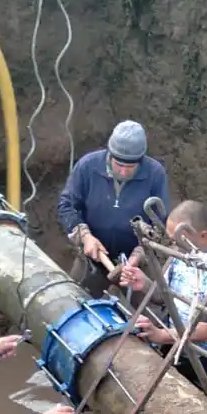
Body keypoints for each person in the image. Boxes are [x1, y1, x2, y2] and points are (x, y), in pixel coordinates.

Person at [120, 200, 207, 414]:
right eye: (172, 240)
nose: (175, 246)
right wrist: (145, 284)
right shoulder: (184, 251)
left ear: (204, 235)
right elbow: (167, 296)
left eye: (179, 240)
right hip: (177, 337)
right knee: (177, 390)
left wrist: (161, 335)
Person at [57, 120, 170, 298]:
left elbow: (159, 224)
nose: (124, 172)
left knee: (154, 312)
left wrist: (137, 257)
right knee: (74, 304)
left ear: (141, 161)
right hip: (93, 257)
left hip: (136, 263)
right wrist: (85, 237)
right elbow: (67, 206)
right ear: (109, 154)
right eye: (119, 165)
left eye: (130, 167)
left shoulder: (155, 174)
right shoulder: (88, 167)